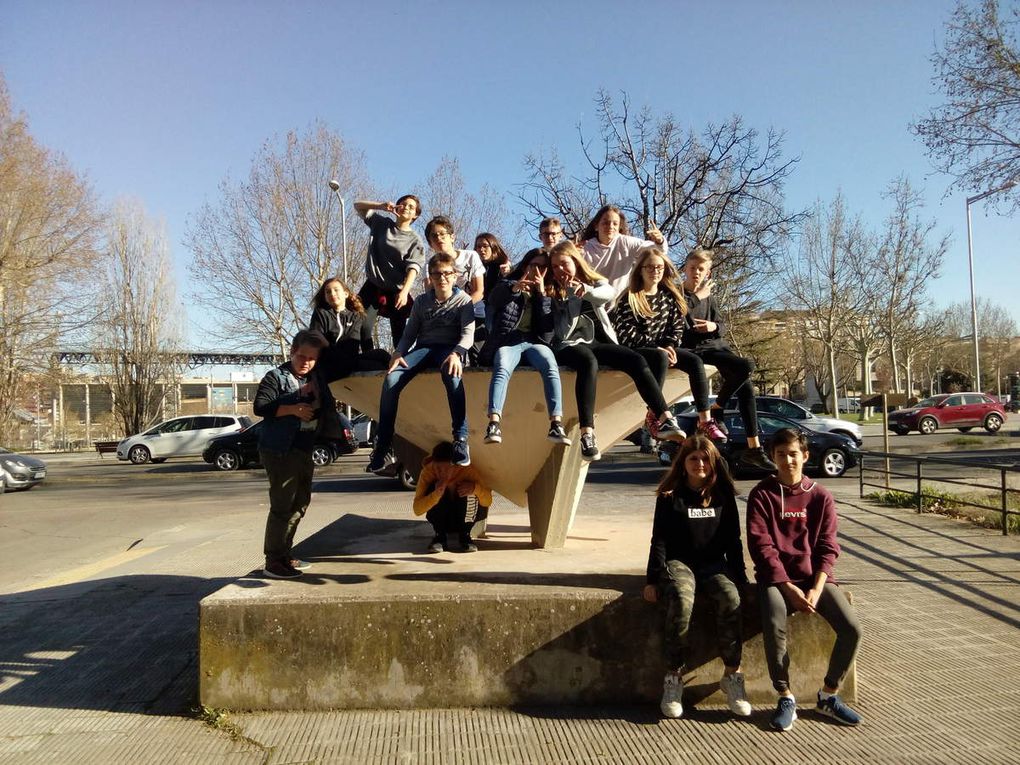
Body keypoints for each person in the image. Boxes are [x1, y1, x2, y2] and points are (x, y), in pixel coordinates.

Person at [746, 428, 863, 732]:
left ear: (805, 456)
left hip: (815, 579)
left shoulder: (820, 496)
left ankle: (828, 696)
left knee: (851, 628)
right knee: (773, 622)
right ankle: (785, 696)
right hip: (776, 580)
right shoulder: (762, 494)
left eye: (793, 454)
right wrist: (788, 588)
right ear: (772, 457)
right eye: (781, 454)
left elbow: (828, 546)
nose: (788, 460)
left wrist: (816, 588)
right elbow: (762, 548)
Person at [644, 435, 751, 719]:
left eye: (705, 459)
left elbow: (733, 541)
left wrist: (740, 577)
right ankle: (673, 677)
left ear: (713, 462)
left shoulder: (724, 496)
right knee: (681, 599)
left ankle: (732, 675)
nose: (699, 464)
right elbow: (660, 541)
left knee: (730, 597)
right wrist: (652, 579)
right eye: (693, 458)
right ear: (683, 462)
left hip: (713, 564)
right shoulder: (670, 496)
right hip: (680, 563)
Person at [548, 240, 686, 462]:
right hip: (570, 345)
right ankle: (587, 435)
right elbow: (559, 329)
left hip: (601, 343)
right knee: (588, 361)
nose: (559, 270)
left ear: (576, 261)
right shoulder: (552, 290)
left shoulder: (595, 282)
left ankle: (664, 418)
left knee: (635, 359)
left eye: (563, 264)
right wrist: (565, 297)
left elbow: (607, 294)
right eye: (554, 267)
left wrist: (586, 291)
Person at [367, 252, 475, 473]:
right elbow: (409, 334)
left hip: (449, 350)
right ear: (431, 277)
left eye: (447, 273)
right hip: (424, 348)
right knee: (391, 379)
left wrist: (457, 353)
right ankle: (383, 446)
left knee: (453, 377)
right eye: (437, 274)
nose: (442, 278)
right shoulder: (422, 302)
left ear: (455, 276)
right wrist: (398, 353)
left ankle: (461, 440)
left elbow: (468, 333)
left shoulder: (464, 301)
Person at [612, 246, 729, 444]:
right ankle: (655, 415)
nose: (654, 271)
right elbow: (626, 334)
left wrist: (670, 345)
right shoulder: (629, 297)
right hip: (638, 350)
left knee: (694, 361)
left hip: (665, 348)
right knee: (658, 357)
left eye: (658, 267)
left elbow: (676, 328)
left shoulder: (669, 297)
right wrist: (657, 348)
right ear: (640, 269)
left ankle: (705, 420)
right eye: (649, 267)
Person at [679, 247, 776, 471]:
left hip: (716, 347)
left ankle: (753, 447)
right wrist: (695, 298)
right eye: (692, 268)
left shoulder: (710, 297)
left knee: (747, 383)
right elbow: (676, 326)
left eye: (701, 269)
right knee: (746, 373)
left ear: (708, 274)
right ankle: (718, 411)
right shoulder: (678, 294)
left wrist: (713, 326)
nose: (696, 272)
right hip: (694, 350)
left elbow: (722, 326)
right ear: (685, 269)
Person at [254, 329, 337, 579]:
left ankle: (285, 553)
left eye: (312, 358)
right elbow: (260, 408)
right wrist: (292, 408)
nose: (306, 362)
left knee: (300, 503)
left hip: (304, 448)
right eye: (301, 356)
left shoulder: (316, 378)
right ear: (292, 352)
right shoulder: (275, 377)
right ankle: (273, 560)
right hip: (279, 449)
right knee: (282, 505)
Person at [479, 248, 570, 446]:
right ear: (525, 265)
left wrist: (542, 295)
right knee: (502, 365)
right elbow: (493, 300)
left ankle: (556, 423)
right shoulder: (508, 284)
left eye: (543, 267)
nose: (537, 271)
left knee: (549, 363)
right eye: (534, 265)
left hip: (533, 343)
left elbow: (546, 335)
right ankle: (493, 423)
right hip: (508, 342)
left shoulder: (549, 292)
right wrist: (515, 288)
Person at [354, 196, 426, 348]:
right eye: (403, 204)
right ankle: (370, 359)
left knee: (398, 334)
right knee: (362, 326)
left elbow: (413, 268)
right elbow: (358, 205)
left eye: (411, 207)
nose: (406, 207)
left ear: (415, 215)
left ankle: (399, 364)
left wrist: (405, 291)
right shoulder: (381, 224)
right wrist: (380, 205)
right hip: (373, 285)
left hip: (396, 290)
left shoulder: (415, 240)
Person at [413, 441, 494, 553]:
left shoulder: (468, 471)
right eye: (438, 468)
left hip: (464, 519)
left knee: (471, 489)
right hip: (443, 520)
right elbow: (417, 509)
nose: (441, 473)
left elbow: (488, 502)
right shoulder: (428, 471)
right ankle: (440, 537)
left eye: (446, 469)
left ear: (456, 466)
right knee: (433, 488)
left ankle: (465, 536)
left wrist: (475, 489)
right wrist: (436, 494)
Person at [580, 204, 666, 304]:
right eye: (606, 223)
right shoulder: (585, 248)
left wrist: (660, 241)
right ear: (596, 226)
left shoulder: (626, 243)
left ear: (619, 227)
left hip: (620, 306)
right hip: (591, 306)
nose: (610, 227)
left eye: (615, 224)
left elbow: (657, 251)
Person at [308, 276, 390, 381]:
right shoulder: (321, 313)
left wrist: (327, 343)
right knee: (376, 367)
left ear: (346, 293)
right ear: (324, 297)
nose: (332, 294)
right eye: (328, 292)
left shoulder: (355, 316)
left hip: (349, 359)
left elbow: (353, 346)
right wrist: (327, 345)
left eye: (336, 290)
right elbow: (317, 343)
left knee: (381, 355)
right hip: (329, 362)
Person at [473, 232, 512, 296]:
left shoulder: (503, 266)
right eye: (479, 247)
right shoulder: (474, 267)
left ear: (493, 247)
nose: (482, 249)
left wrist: (506, 274)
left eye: (485, 246)